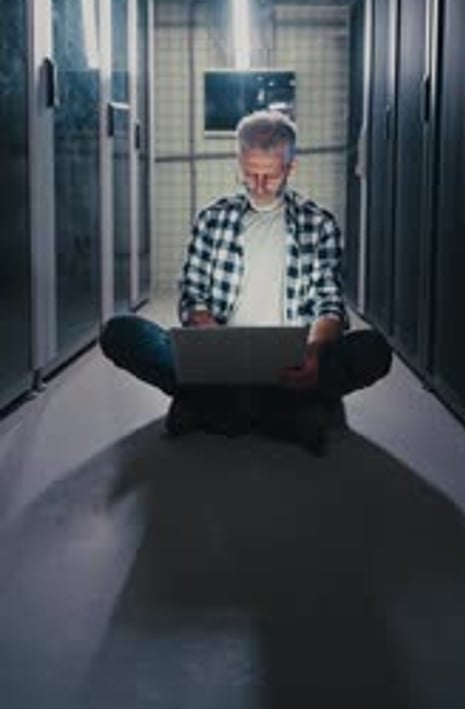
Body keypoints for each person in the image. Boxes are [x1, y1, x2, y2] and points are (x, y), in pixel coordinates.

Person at [100, 110, 392, 455]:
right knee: (120, 332)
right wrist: (209, 335)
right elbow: (192, 294)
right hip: (219, 359)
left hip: (292, 361)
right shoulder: (212, 219)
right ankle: (283, 413)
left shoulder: (319, 224)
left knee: (375, 349)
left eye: (270, 176)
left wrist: (313, 353)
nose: (259, 185)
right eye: (250, 174)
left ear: (290, 167)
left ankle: (214, 407)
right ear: (238, 162)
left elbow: (329, 303)